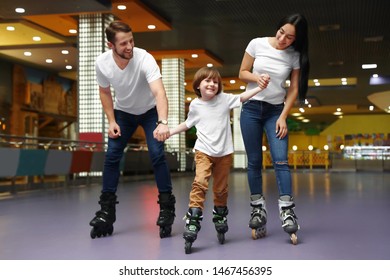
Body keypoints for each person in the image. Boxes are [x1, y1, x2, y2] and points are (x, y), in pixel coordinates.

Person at [89, 21, 175, 239]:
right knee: (112, 156)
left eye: (131, 40)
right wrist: (111, 120)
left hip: (149, 112)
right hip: (123, 113)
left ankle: (166, 208)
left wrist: (162, 121)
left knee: (157, 155)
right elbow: (105, 92)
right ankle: (106, 211)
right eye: (123, 43)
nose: (129, 46)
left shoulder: (144, 58)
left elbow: (159, 93)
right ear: (111, 45)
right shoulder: (102, 63)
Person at [169, 67, 269, 254]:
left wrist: (259, 89)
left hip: (224, 153)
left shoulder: (224, 100)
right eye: (207, 81)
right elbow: (187, 124)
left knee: (221, 189)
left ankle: (220, 215)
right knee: (200, 183)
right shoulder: (196, 105)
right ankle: (193, 218)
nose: (212, 84)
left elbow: (242, 97)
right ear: (198, 85)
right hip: (203, 151)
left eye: (215, 82)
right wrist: (170, 132)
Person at [238, 13, 310, 245]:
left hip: (274, 112)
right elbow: (242, 72)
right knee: (254, 162)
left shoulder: (295, 56)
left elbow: (294, 89)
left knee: (281, 160)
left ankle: (287, 210)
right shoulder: (256, 43)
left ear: (296, 40)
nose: (283, 39)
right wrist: (257, 78)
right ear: (277, 28)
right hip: (250, 109)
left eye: (290, 38)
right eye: (281, 32)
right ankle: (258, 209)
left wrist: (283, 116)